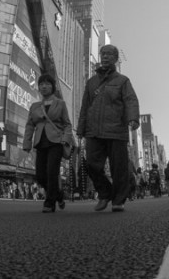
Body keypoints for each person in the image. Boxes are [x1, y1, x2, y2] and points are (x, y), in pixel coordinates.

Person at [77, 44, 140, 212]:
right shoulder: (91, 82)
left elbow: (131, 100)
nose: (105, 57)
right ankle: (105, 193)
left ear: (115, 58)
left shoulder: (123, 81)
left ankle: (118, 200)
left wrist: (133, 118)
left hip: (116, 130)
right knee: (91, 164)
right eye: (103, 54)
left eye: (109, 54)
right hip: (94, 131)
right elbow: (85, 106)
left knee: (119, 167)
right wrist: (80, 128)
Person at [22, 73, 74, 213]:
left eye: (47, 84)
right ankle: (58, 195)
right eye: (41, 84)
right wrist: (26, 143)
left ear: (53, 87)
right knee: (40, 175)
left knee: (52, 172)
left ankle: (49, 203)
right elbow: (30, 125)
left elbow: (67, 124)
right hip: (40, 142)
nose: (44, 86)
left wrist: (65, 139)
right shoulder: (34, 106)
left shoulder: (60, 104)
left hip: (56, 142)